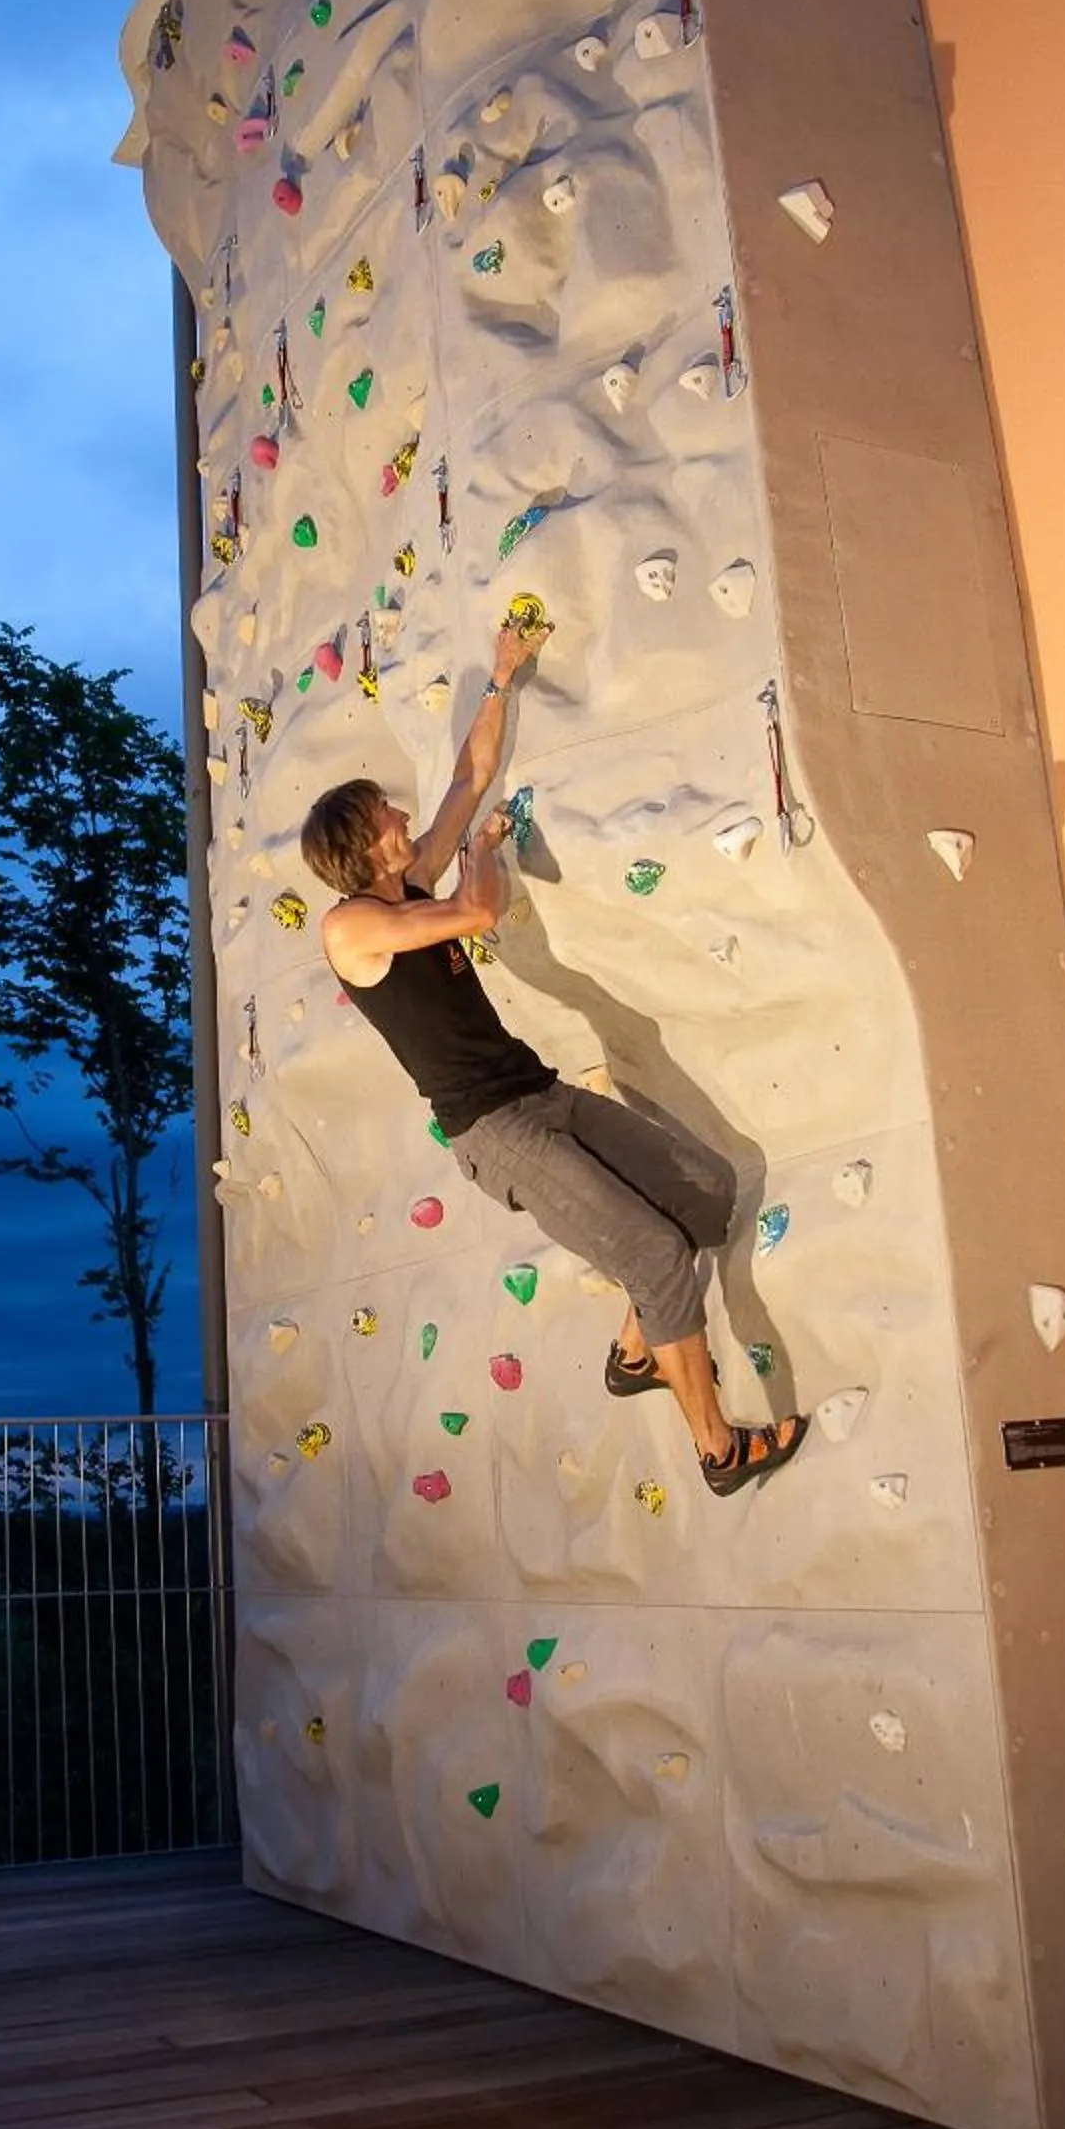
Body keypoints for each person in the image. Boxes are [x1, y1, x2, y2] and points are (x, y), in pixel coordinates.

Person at [300, 614, 807, 1499]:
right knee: (654, 1256)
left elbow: (470, 773)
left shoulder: (409, 878)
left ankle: (637, 1351)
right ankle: (719, 1451)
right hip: (495, 1132)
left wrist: (502, 676)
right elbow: (479, 914)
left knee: (705, 1191)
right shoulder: (353, 928)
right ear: (362, 837)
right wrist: (483, 856)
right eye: (386, 810)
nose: (404, 811)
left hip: (537, 1091)